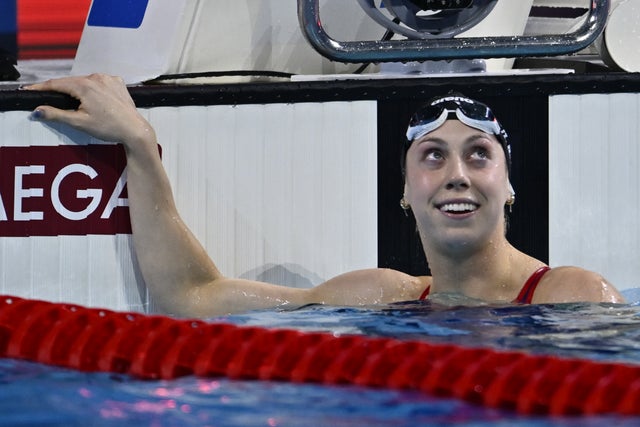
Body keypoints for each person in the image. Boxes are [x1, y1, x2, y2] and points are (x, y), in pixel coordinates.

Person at [24, 74, 624, 317]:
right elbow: (190, 297)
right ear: (406, 193)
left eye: (479, 154)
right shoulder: (380, 297)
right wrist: (139, 144)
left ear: (510, 186)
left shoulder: (573, 294)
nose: (456, 175)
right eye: (432, 156)